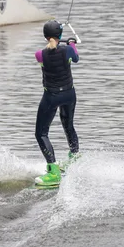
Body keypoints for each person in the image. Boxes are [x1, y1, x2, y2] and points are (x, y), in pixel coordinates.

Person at [34, 19, 80, 186]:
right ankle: (74, 157)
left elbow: (52, 52)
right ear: (60, 35)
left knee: (41, 133)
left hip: (51, 97)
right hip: (69, 94)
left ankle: (53, 172)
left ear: (46, 36)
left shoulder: (39, 54)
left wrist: (63, 43)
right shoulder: (68, 49)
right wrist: (72, 43)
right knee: (68, 125)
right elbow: (76, 58)